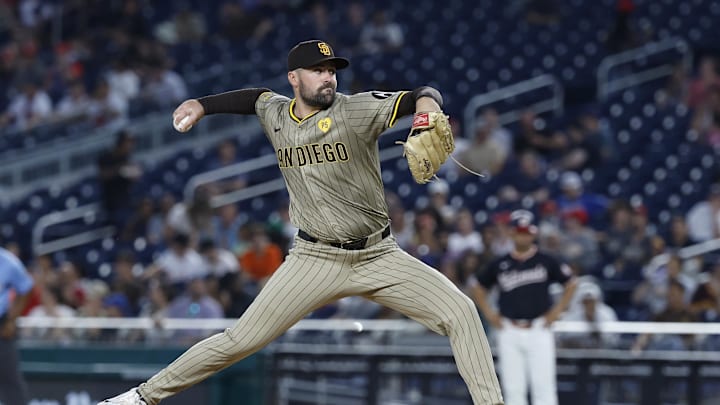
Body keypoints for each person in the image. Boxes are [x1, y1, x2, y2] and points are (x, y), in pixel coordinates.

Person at [99, 39, 504, 405]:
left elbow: (419, 94)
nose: (328, 78)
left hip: (378, 254)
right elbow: (254, 98)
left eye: (332, 70)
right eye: (318, 70)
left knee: (463, 312)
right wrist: (201, 105)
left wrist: (428, 106)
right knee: (239, 340)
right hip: (315, 258)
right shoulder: (275, 112)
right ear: (294, 78)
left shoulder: (355, 110)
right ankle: (141, 397)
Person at [469, 209, 577, 405]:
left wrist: (557, 311)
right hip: (509, 330)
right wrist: (489, 313)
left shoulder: (546, 260)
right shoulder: (501, 263)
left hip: (539, 328)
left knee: (544, 389)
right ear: (511, 233)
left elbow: (571, 283)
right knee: (513, 390)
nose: (523, 235)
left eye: (527, 232)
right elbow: (477, 286)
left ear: (534, 233)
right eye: (520, 231)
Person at [0, 247, 34, 405]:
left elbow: (26, 287)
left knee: (10, 379)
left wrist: (11, 320)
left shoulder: (7, 261)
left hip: (1, 327)